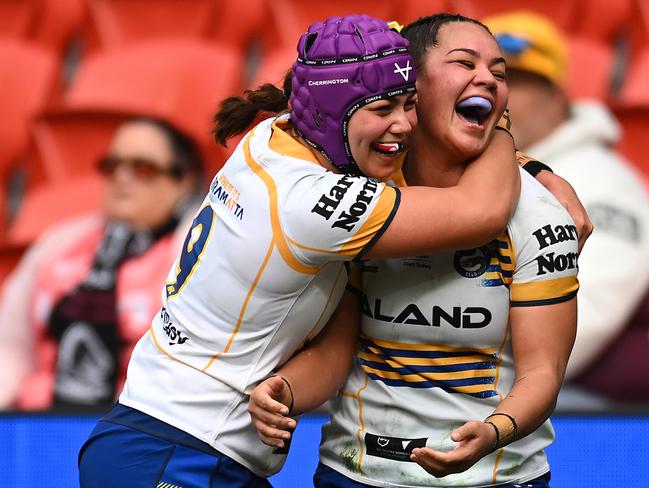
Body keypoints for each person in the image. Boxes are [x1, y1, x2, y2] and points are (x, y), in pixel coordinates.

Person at [77, 13, 528, 488]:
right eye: (383, 109)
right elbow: (481, 210)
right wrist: (498, 126)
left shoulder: (276, 136)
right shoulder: (308, 205)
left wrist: (534, 167)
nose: (403, 125)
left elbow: (337, 344)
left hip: (167, 445)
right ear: (333, 112)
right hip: (176, 452)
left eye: (409, 104)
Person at [248, 13, 579, 487]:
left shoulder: (539, 216)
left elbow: (543, 373)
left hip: (495, 478)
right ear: (413, 85)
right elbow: (336, 352)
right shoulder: (361, 201)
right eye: (463, 63)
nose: (486, 77)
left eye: (498, 73)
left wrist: (493, 431)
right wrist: (285, 390)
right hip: (356, 473)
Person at [483, 10, 649, 406]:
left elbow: (586, 320)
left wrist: (465, 387)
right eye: (488, 80)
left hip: (569, 402)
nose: (497, 95)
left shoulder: (603, 182)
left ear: (557, 97)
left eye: (516, 81)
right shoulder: (471, 167)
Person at [0, 117, 204, 410]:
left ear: (184, 181)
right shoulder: (58, 245)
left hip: (139, 426)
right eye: (112, 166)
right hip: (38, 425)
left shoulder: (198, 252)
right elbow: (9, 348)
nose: (122, 177)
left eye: (143, 169)